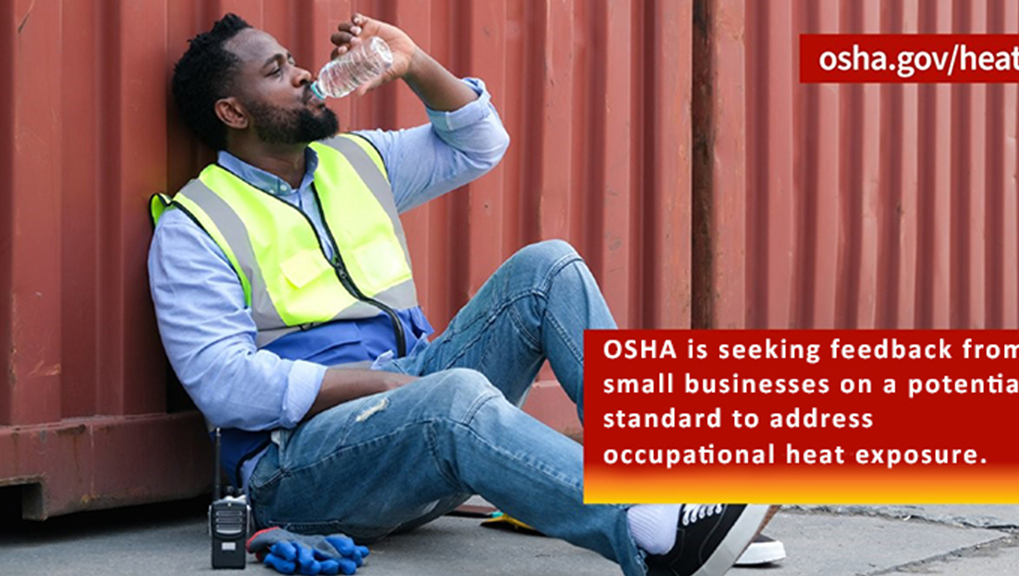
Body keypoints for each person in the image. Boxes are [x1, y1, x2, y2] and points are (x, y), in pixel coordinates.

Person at [149, 13, 776, 576]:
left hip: (413, 416)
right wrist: (382, 385)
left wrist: (414, 63)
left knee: (549, 266)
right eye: (277, 70)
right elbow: (221, 383)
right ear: (234, 112)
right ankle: (654, 537)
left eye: (294, 60)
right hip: (304, 466)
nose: (304, 74)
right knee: (454, 395)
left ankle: (681, 496)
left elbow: (480, 143)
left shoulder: (355, 159)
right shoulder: (196, 224)